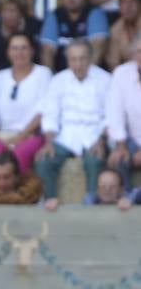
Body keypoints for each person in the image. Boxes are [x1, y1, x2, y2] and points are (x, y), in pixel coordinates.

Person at [34, 40, 111, 210]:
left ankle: (92, 208)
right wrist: (48, 142)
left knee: (95, 160)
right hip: (66, 136)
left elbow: (110, 115)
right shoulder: (58, 80)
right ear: (68, 60)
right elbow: (51, 114)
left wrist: (101, 140)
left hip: (94, 134)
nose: (78, 64)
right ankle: (50, 203)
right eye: (73, 59)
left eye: (82, 59)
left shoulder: (105, 79)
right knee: (43, 160)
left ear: (91, 58)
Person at [0, 33, 52, 174]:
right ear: (8, 52)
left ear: (32, 51)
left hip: (32, 134)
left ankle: (18, 196)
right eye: (14, 48)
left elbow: (43, 112)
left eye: (24, 48)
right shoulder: (0, 77)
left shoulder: (43, 74)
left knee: (18, 156)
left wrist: (21, 136)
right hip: (3, 134)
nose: (19, 53)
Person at [39, 0, 109, 71]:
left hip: (90, 76)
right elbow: (47, 51)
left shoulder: (95, 13)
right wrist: (50, 78)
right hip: (61, 77)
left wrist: (85, 78)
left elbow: (98, 48)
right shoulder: (54, 15)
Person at [105, 36, 141, 188]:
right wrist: (120, 145)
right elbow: (114, 112)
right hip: (130, 139)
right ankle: (125, 201)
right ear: (133, 54)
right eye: (139, 51)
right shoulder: (121, 73)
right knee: (119, 159)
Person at [107, 0, 141, 69]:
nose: (128, 6)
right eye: (123, 1)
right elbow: (113, 64)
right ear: (119, 6)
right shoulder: (115, 30)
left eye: (132, 1)